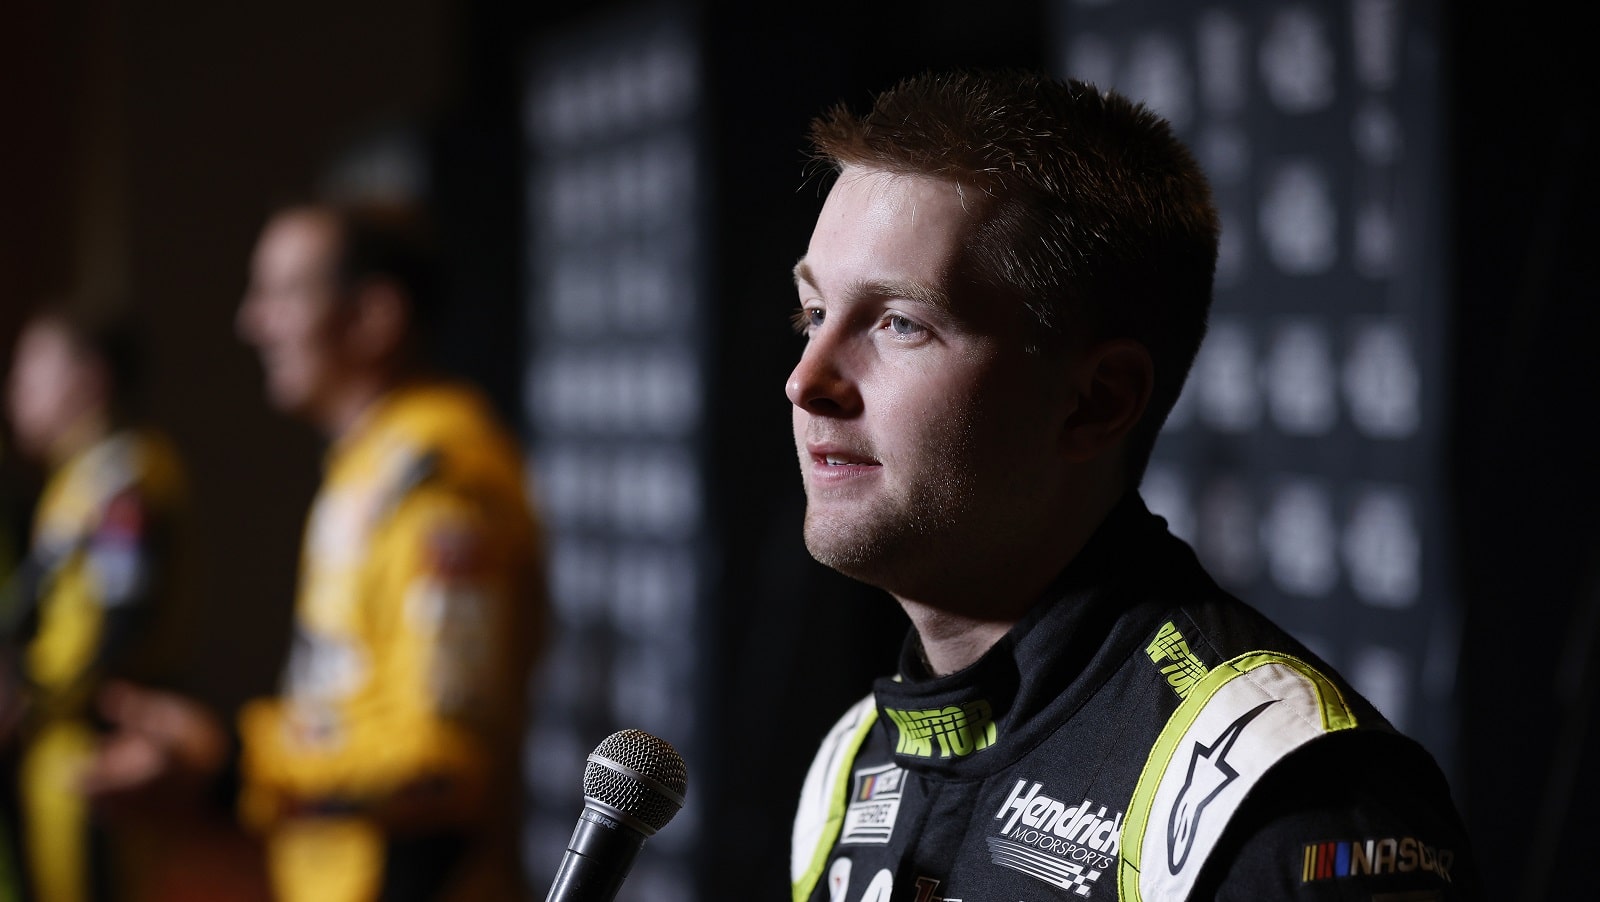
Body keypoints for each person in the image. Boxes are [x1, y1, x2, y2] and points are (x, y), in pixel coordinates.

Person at [785, 69, 1480, 901]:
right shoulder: (851, 761)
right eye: (814, 315)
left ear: (1098, 402)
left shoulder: (1288, 800)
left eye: (900, 323)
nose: (807, 380)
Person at [85, 199, 548, 902]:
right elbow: (352, 706)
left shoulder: (440, 481)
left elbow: (446, 763)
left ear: (373, 318)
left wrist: (231, 769)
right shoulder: (371, 462)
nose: (252, 321)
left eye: (281, 293)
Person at [0, 299, 194, 902]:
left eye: (33, 368)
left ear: (89, 377)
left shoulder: (123, 477)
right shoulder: (77, 479)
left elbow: (123, 625)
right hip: (55, 743)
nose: (15, 387)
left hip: (93, 748)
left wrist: (30, 694)